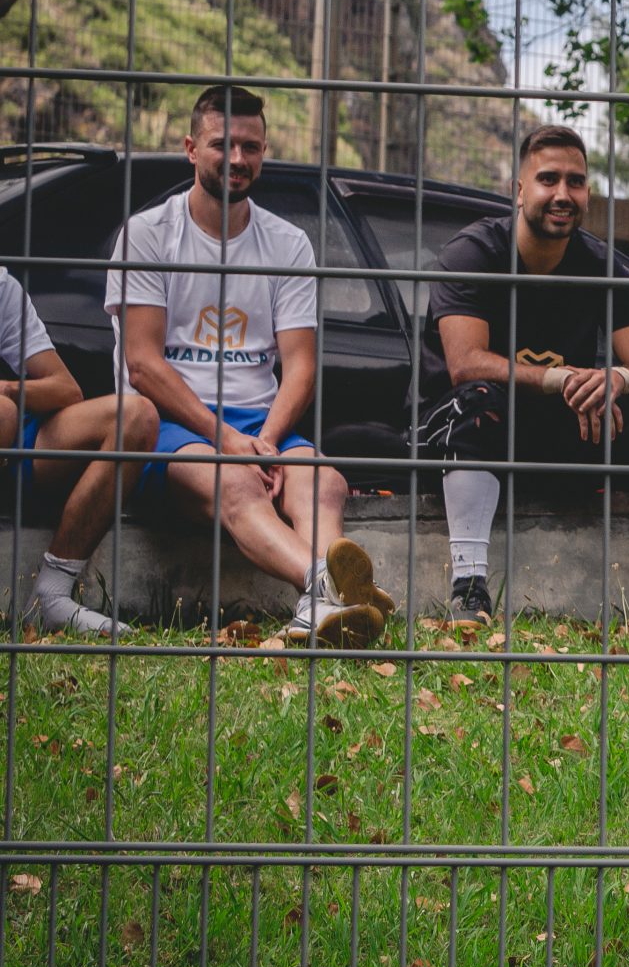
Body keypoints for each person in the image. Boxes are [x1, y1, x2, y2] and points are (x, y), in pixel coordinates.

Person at [108, 84, 384, 646]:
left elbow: (301, 367)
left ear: (264, 152)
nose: (238, 158)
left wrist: (269, 442)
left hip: (259, 423)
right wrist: (230, 442)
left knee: (324, 480)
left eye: (251, 147)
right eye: (222, 144)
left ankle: (321, 613)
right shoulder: (148, 234)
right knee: (236, 482)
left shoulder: (288, 243)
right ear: (191, 148)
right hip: (169, 423)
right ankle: (327, 591)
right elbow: (143, 366)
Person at [422, 125, 629, 624]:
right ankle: (468, 592)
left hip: (565, 431)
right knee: (477, 397)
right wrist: (561, 379)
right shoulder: (474, 253)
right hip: (471, 434)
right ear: (519, 190)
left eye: (575, 182)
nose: (562, 194)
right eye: (548, 179)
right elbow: (466, 362)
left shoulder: (598, 263)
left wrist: (615, 379)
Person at [1, 265, 161, 635]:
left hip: (19, 442)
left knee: (134, 416)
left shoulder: (1, 286)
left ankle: (52, 595)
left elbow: (64, 388)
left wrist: (8, 388)